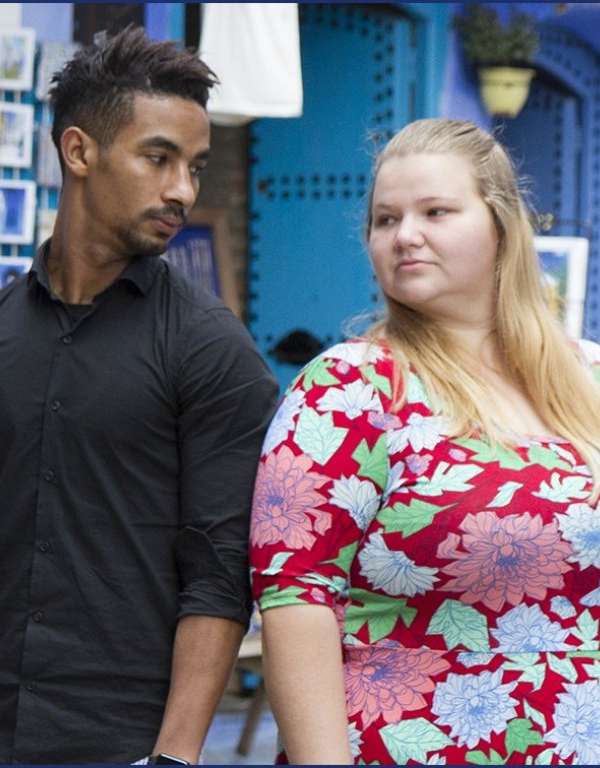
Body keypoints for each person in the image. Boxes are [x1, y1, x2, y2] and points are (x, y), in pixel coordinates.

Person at [249, 118, 600, 765]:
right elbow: (297, 598)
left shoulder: (590, 377)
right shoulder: (350, 388)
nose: (405, 235)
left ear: (501, 224)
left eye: (435, 212)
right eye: (386, 219)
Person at [0, 26, 278, 764]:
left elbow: (220, 575)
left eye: (195, 166)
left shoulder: (213, 350)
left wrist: (174, 759)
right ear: (79, 151)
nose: (182, 189)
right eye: (159, 158)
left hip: (119, 742)